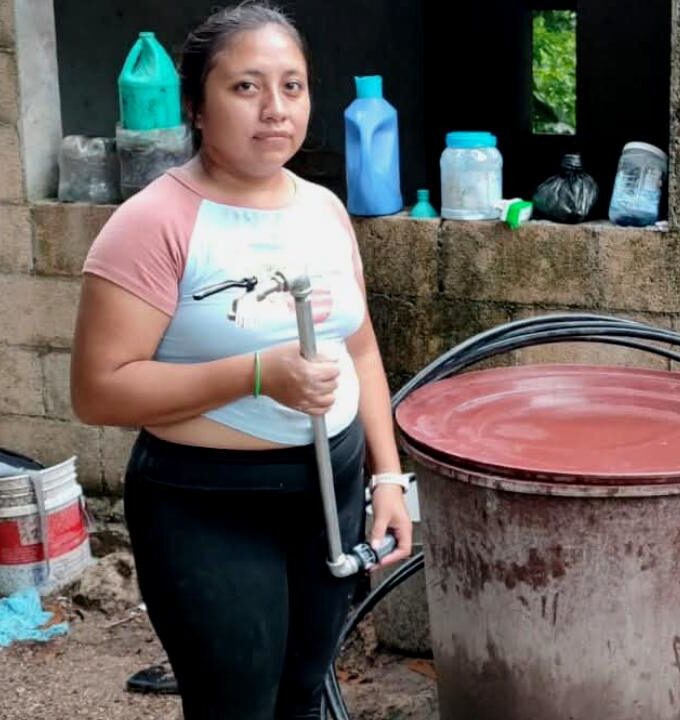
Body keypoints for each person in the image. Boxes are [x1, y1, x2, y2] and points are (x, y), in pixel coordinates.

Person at [69, 3, 413, 717]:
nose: (275, 110)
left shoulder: (322, 209)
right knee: (237, 704)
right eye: (246, 87)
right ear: (196, 106)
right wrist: (257, 375)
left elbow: (361, 348)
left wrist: (386, 477)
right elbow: (98, 393)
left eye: (292, 86)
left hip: (330, 485)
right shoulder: (153, 223)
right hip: (208, 504)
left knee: (304, 688)